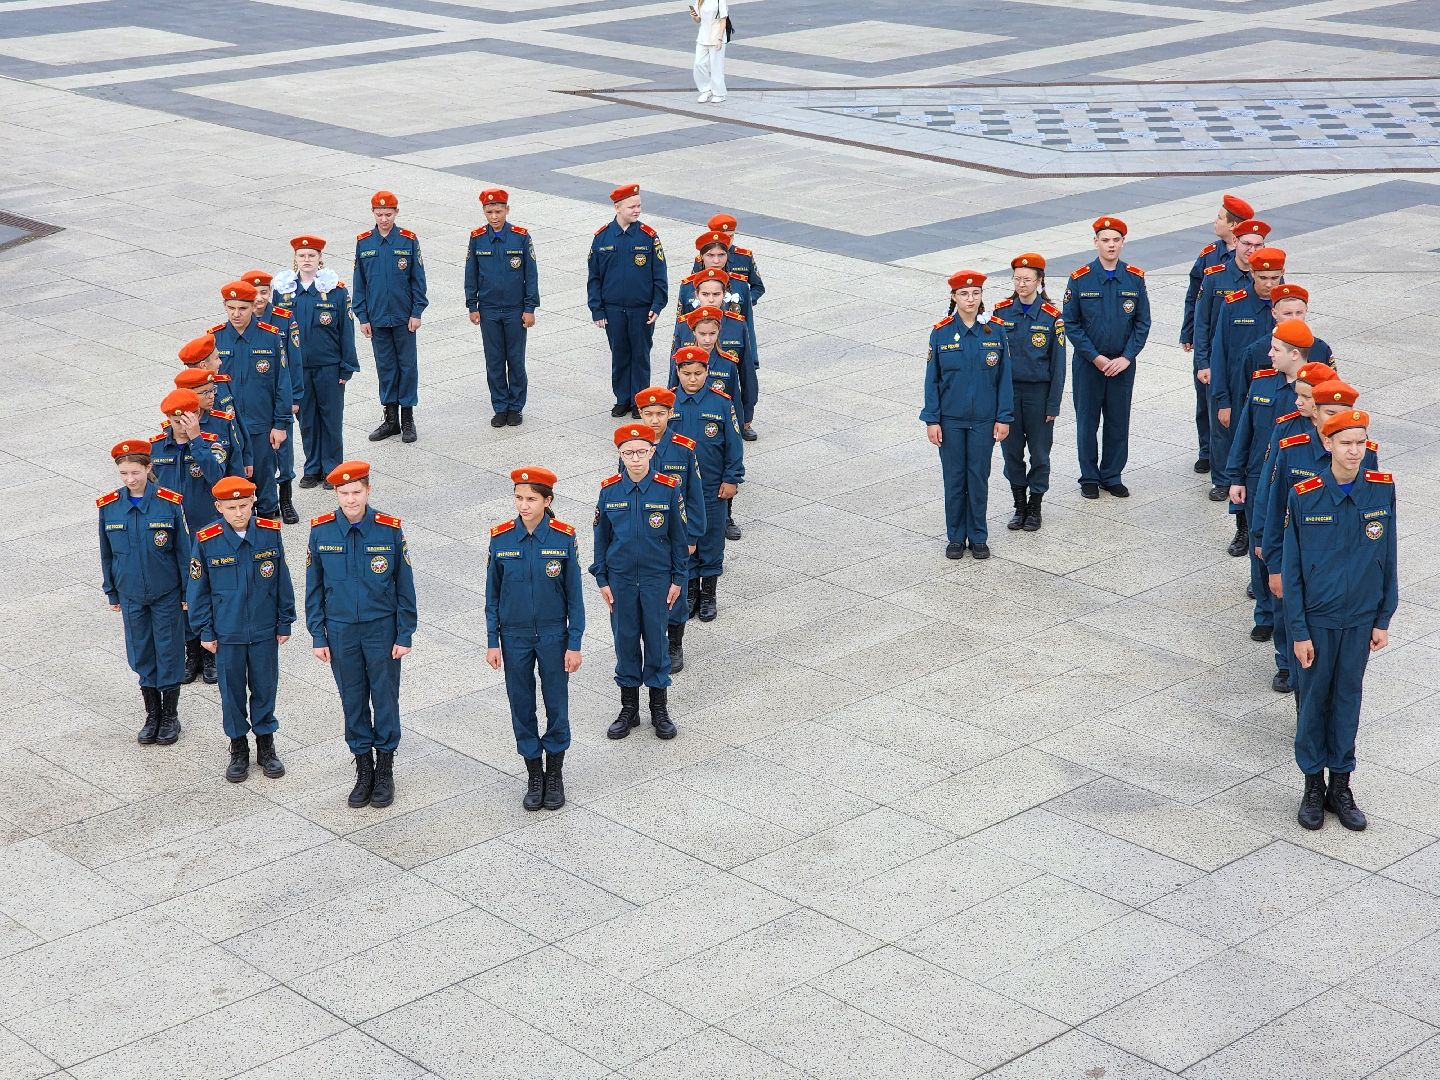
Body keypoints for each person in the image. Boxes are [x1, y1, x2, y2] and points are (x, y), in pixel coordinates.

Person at [1282, 409, 1397, 832]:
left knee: (1348, 699)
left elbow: (1389, 557)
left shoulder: (1381, 491)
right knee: (1314, 702)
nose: (1355, 450)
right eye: (1346, 442)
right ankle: (1313, 785)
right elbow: (1292, 570)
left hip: (1360, 618)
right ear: (1327, 444)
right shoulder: (1306, 494)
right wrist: (1298, 631)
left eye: (1361, 441)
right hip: (1318, 621)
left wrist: (1383, 615)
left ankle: (1341, 786)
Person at [306, 461, 415, 809]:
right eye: (344, 493)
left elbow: (405, 586)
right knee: (352, 699)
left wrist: (405, 632)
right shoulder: (321, 531)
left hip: (381, 628)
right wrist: (318, 634)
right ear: (335, 494)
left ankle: (384, 769)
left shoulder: (389, 529)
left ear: (368, 490)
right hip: (340, 630)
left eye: (357, 492)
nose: (350, 499)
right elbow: (314, 587)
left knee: (384, 697)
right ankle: (363, 767)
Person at [485, 466, 584, 810]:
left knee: (556, 704)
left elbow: (575, 597)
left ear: (547, 500)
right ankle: (533, 774)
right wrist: (492, 640)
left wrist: (575, 643)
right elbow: (492, 596)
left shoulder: (563, 537)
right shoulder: (500, 538)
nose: (523, 505)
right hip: (514, 637)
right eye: (518, 498)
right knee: (521, 704)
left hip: (554, 635)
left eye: (531, 499)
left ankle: (554, 774)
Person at [187, 477, 294, 784]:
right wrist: (205, 630)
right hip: (227, 632)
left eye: (244, 506)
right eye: (231, 507)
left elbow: (281, 580)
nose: (238, 513)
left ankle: (266, 745)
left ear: (253, 502)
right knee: (232, 692)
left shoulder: (269, 534)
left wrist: (284, 620)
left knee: (265, 688)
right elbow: (198, 589)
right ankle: (238, 748)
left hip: (263, 629)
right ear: (219, 507)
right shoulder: (207, 540)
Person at [591, 425, 688, 741]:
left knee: (658, 643)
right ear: (619, 454)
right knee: (626, 640)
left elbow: (677, 538)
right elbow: (601, 539)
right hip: (620, 581)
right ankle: (629, 708)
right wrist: (602, 579)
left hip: (656, 579)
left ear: (652, 452)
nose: (635, 459)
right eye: (628, 452)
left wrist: (678, 579)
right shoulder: (609, 491)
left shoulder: (668, 489)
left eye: (641, 451)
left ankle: (659, 708)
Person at [1226, 319, 1311, 658]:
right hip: (1256, 478)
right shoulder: (1262, 382)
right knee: (1260, 548)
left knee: (1284, 553)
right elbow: (1244, 431)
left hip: (1295, 486)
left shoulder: (1310, 394)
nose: (1269, 353)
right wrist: (1234, 477)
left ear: (1294, 354)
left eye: (1275, 349)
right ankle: (1264, 612)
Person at [98, 439, 188, 745]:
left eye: (135, 472)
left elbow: (182, 552)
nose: (129, 479)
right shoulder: (109, 506)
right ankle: (153, 714)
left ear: (148, 468)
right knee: (141, 651)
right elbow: (107, 553)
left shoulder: (168, 503)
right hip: (131, 593)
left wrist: (188, 593)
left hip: (166, 592)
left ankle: (171, 716)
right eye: (123, 473)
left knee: (169, 649)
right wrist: (112, 592)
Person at [922, 270, 1013, 559]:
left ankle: (978, 536)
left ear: (981, 296)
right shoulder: (941, 332)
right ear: (953, 296)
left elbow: (1005, 378)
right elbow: (932, 380)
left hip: (984, 420)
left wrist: (1004, 417)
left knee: (978, 477)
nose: (970, 299)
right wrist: (932, 420)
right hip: (950, 421)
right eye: (964, 293)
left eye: (975, 293)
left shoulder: (996, 331)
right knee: (954, 478)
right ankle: (955, 537)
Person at [1064, 217, 1150, 499]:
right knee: (1087, 422)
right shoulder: (1080, 278)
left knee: (1117, 421)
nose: (1111, 245)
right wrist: (1095, 357)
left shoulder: (1135, 278)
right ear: (1096, 242)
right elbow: (1071, 323)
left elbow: (1142, 322)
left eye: (1116, 240)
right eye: (1105, 240)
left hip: (1122, 365)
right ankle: (1089, 476)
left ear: (1123, 242)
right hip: (1090, 365)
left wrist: (1127, 357)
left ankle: (1111, 475)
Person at [1206, 245, 1287, 546]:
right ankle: (1242, 526)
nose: (1269, 284)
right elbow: (1220, 353)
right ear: (1251, 273)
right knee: (1241, 461)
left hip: (1279, 397)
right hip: (1242, 397)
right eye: (1263, 277)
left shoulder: (1285, 308)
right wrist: (1223, 401)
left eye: (1275, 278)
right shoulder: (1234, 304)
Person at [273, 237, 358, 490]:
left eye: (311, 255)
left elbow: (346, 331)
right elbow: (278, 334)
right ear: (295, 260)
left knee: (331, 418)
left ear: (320, 258)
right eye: (302, 256)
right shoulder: (284, 292)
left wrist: (347, 366)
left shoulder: (336, 290)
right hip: (298, 371)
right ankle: (312, 467)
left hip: (329, 366)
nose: (307, 260)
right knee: (307, 419)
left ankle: (333, 468)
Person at [632, 386, 705, 670]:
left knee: (678, 587)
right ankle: (652, 640)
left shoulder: (683, 449)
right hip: (645, 535)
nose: (654, 420)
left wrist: (693, 535)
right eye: (648, 414)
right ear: (640, 414)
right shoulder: (633, 448)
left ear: (670, 414)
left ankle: (675, 644)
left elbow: (695, 495)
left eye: (660, 414)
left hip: (676, 534)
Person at [669, 348, 743, 621]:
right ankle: (690, 592)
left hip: (712, 486)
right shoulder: (669, 403)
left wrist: (732, 478)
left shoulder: (721, 403)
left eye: (698, 373)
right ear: (677, 372)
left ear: (707, 372)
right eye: (686, 373)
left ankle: (709, 594)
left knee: (711, 538)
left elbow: (734, 445)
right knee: (684, 538)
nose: (692, 379)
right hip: (679, 489)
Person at [1181, 193, 1254, 474]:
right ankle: (1207, 450)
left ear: (1234, 226)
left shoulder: (1255, 259)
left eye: (1220, 218)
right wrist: (1187, 331)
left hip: (1241, 344)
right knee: (1206, 399)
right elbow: (1195, 297)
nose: (1215, 221)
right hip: (1210, 342)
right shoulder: (1209, 255)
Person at [994, 253, 1065, 532]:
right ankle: (1019, 505)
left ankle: (1035, 506)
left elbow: (1059, 365)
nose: (1022, 284)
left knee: (1039, 453)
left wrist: (1053, 405)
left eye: (1027, 279)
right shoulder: (1000, 314)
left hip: (1038, 394)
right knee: (1011, 452)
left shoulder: (1052, 317)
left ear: (1039, 281)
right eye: (1017, 279)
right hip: (1009, 394)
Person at [212, 279, 291, 518]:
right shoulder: (215, 339)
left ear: (252, 305)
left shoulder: (270, 337)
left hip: (261, 422)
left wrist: (281, 424)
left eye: (242, 308)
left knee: (265, 478)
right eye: (231, 308)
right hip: (227, 425)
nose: (236, 314)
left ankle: (267, 520)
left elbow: (282, 383)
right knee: (232, 481)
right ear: (225, 306)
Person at [353, 190, 428, 444]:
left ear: (397, 213)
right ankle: (390, 419)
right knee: (385, 367)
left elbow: (418, 280)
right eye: (379, 214)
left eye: (388, 214)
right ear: (372, 213)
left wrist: (417, 311)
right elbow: (359, 283)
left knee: (407, 366)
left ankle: (407, 418)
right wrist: (362, 316)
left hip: (403, 316)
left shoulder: (408, 240)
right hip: (376, 318)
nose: (384, 219)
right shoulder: (364, 242)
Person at [588, 184, 669, 417]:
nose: (637, 211)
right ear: (617, 207)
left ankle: (639, 400)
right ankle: (622, 399)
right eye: (632, 206)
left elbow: (659, 275)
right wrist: (597, 309)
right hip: (613, 309)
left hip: (641, 309)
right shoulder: (602, 237)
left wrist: (657, 304)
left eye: (639, 206)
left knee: (641, 355)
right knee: (620, 353)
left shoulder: (649, 237)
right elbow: (594, 278)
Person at [465, 189, 539, 427]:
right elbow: (471, 274)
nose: (494, 216)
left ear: (507, 210)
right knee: (494, 361)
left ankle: (515, 407)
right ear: (484, 212)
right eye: (489, 212)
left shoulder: (520, 237)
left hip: (515, 309)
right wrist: (472, 305)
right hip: (488, 309)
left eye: (498, 211)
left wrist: (530, 308)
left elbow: (531, 274)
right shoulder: (477, 238)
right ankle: (500, 406)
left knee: (515, 360)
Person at [244, 270, 301, 524]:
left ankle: (286, 498)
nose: (259, 299)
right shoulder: (239, 323)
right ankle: (260, 500)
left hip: (280, 399)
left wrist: (294, 398)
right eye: (254, 294)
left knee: (283, 452)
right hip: (252, 403)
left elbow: (294, 364)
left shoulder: (284, 319)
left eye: (264, 293)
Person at [179, 333, 249, 478]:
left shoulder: (222, 384)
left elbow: (237, 422)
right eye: (217, 358)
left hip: (232, 456)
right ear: (204, 365)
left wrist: (247, 457)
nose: (221, 362)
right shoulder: (182, 398)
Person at [698, 213, 765, 305]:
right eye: (723, 236)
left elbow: (758, 287)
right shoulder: (703, 258)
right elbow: (694, 286)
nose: (728, 241)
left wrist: (744, 301)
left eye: (731, 236)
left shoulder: (744, 257)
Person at [691, 0, 728, 103]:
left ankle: (719, 93)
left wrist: (720, 38)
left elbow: (723, 19)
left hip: (716, 36)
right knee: (699, 63)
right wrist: (694, 15)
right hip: (703, 36)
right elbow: (698, 19)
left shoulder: (720, 1)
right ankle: (706, 90)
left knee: (716, 66)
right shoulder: (700, 0)